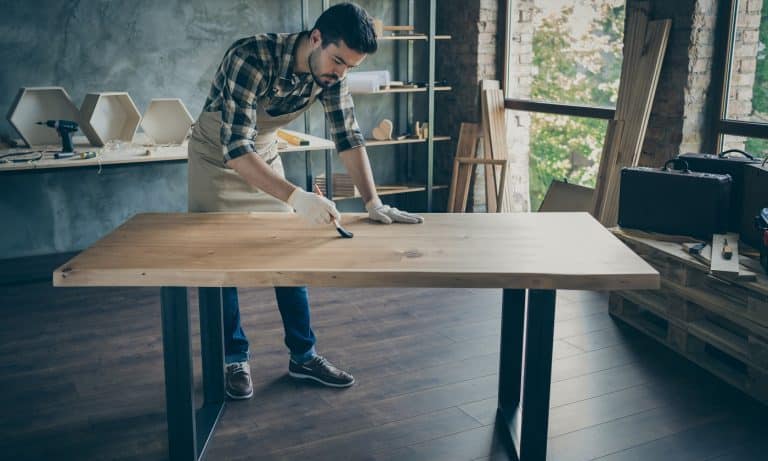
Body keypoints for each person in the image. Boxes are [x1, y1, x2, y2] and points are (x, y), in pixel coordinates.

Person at [187, 2, 424, 400]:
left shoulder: (331, 74)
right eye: (337, 61)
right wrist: (297, 197)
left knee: (288, 254)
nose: (340, 73)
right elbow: (234, 148)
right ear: (315, 38)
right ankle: (232, 358)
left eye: (349, 66)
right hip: (217, 156)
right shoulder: (250, 57)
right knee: (220, 261)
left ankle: (303, 355)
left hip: (262, 154)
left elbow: (348, 136)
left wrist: (372, 202)